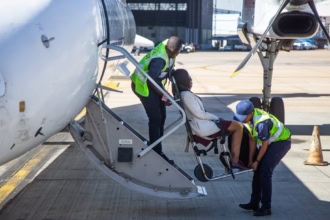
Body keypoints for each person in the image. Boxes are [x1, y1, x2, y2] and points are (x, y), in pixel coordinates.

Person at [171, 69, 248, 170]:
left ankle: (234, 159)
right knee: (238, 127)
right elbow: (200, 114)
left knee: (234, 126)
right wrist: (216, 118)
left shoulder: (183, 94)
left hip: (201, 125)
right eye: (189, 78)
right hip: (202, 127)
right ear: (184, 80)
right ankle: (235, 161)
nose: (191, 80)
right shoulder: (186, 95)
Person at [234, 100, 291, 216]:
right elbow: (252, 140)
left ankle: (266, 207)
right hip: (270, 143)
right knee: (257, 172)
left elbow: (264, 145)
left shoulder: (261, 123)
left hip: (280, 142)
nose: (241, 119)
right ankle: (254, 203)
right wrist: (251, 160)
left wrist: (257, 161)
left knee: (265, 171)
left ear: (250, 113)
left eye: (243, 117)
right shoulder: (249, 120)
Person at [131, 36, 182, 162]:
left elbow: (166, 71)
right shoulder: (160, 59)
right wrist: (164, 95)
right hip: (143, 86)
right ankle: (156, 153)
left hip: (153, 85)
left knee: (162, 116)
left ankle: (157, 146)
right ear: (174, 50)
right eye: (178, 51)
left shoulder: (168, 50)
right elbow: (150, 81)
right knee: (155, 118)